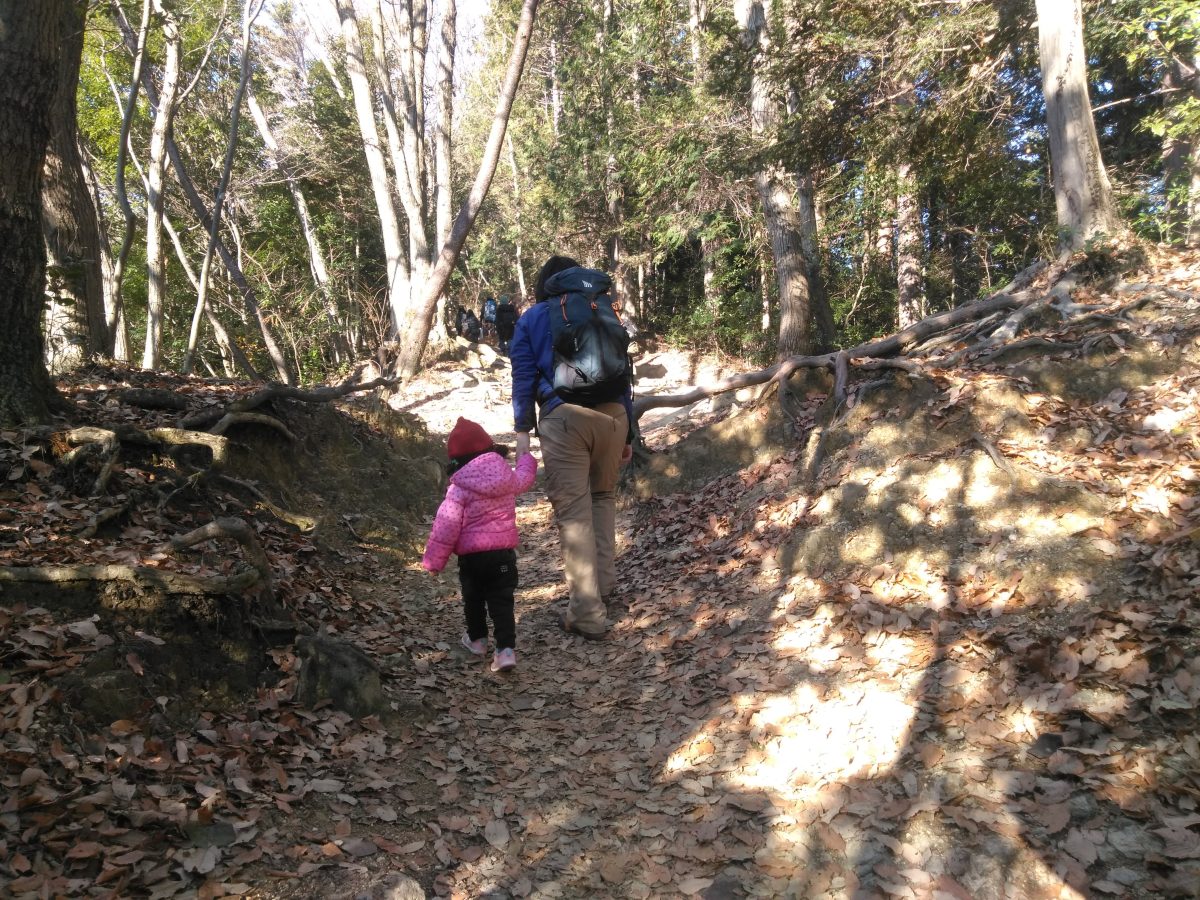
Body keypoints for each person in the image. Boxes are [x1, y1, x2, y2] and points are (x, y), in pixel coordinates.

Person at [509, 255, 634, 641]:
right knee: (602, 499)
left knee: (574, 515)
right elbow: (624, 372)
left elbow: (524, 377)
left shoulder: (532, 318)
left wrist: (522, 438)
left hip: (565, 419)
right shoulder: (602, 310)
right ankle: (604, 588)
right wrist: (629, 433)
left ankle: (586, 613)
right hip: (615, 416)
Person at [422, 417, 537, 673]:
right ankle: (505, 651)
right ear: (489, 449)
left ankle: (477, 641)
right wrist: (526, 459)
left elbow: (446, 526)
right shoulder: (505, 477)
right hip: (502, 556)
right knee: (502, 601)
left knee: (473, 600)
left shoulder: (458, 488)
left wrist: (434, 561)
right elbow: (525, 478)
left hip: (472, 559)